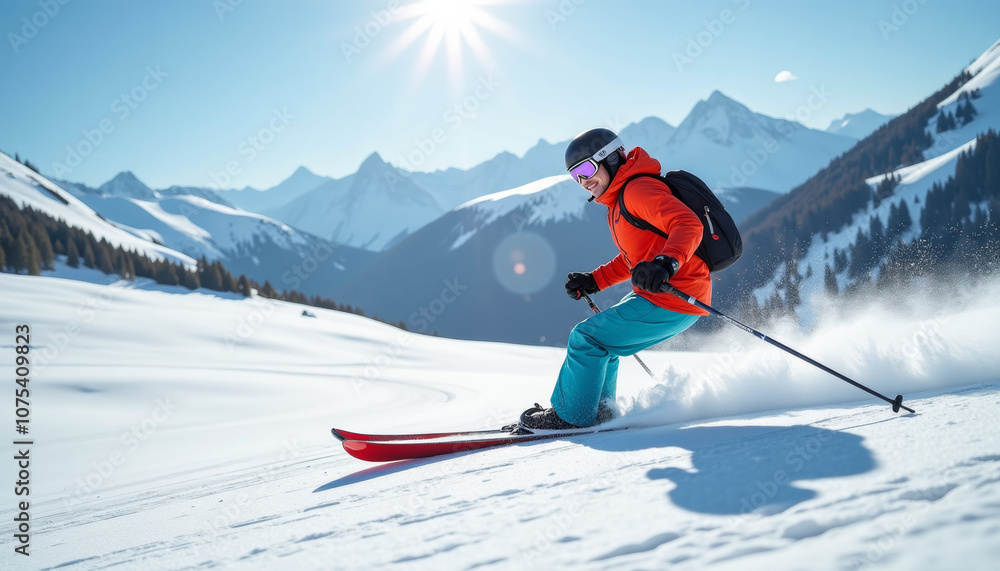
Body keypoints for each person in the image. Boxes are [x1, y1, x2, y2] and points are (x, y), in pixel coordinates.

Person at [518, 128, 713, 430]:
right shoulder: (618, 200)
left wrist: (666, 263)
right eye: (575, 177)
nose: (583, 182)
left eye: (585, 169)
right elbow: (633, 258)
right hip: (664, 293)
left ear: (609, 158)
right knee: (602, 343)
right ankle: (599, 410)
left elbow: (687, 223)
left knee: (586, 338)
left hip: (675, 294)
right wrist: (594, 280)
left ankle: (572, 415)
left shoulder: (637, 191)